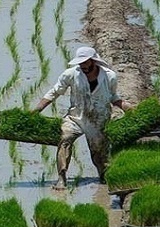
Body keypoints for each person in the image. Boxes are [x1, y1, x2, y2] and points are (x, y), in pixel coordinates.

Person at [33, 46, 134, 190]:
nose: (83, 66)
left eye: (86, 63)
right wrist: (38, 108)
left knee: (99, 154)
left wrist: (126, 107)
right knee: (65, 140)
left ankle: (104, 177)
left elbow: (112, 96)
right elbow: (54, 92)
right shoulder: (71, 74)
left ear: (93, 61)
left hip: (98, 120)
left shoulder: (109, 76)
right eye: (81, 63)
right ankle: (61, 177)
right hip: (76, 117)